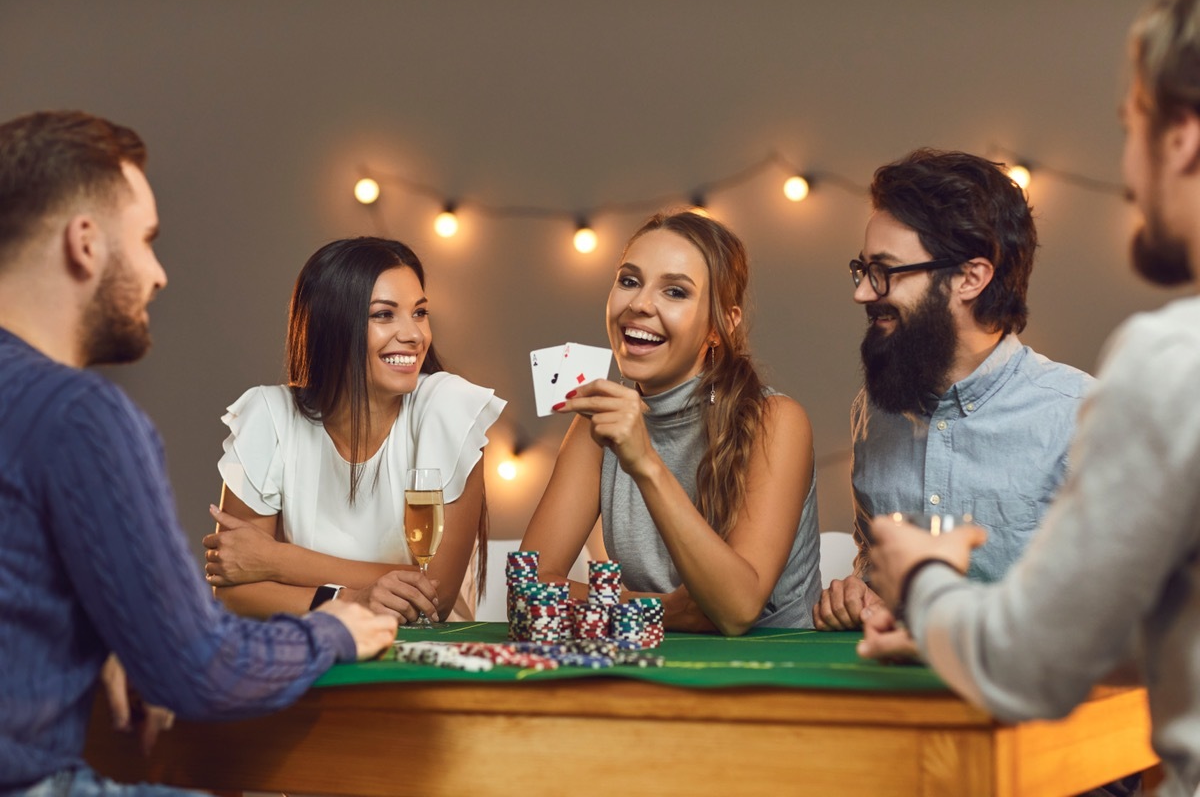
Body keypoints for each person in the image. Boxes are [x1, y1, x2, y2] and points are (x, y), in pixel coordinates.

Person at [858, 0, 1200, 794]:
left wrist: (922, 582)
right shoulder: (878, 414)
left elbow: (1030, 668)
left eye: (1130, 124)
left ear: (1179, 139)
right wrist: (947, 631)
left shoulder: (1165, 367)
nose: (1128, 171)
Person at [0, 110, 397, 795]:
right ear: (85, 244)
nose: (157, 274)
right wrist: (331, 631)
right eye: (147, 240)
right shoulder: (82, 418)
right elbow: (202, 670)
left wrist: (102, 639)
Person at [813, 149, 1092, 632]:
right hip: (895, 698)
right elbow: (878, 573)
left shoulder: (1081, 418)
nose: (862, 293)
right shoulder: (873, 412)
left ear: (969, 277)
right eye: (863, 270)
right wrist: (861, 590)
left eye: (885, 271)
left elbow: (1122, 610)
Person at [521, 209, 821, 635]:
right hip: (652, 663)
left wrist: (644, 461)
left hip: (771, 676)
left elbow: (736, 609)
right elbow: (529, 590)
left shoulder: (775, 420)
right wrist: (664, 609)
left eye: (675, 292)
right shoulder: (595, 424)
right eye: (629, 281)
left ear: (720, 327)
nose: (640, 304)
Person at [203, 237, 505, 624]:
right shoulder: (269, 416)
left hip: (425, 661)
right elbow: (234, 590)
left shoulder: (446, 407)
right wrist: (347, 601)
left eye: (420, 313)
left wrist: (276, 560)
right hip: (315, 657)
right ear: (331, 325)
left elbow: (434, 595)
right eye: (384, 315)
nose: (414, 335)